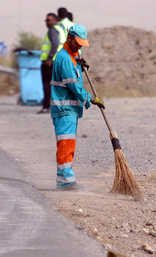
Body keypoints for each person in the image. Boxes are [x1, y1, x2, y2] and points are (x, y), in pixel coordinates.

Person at [50, 24, 104, 190]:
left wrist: (79, 65)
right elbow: (73, 85)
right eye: (77, 42)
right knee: (66, 144)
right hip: (64, 109)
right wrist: (90, 98)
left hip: (69, 110)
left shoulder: (72, 56)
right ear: (69, 38)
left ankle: (63, 180)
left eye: (82, 43)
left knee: (68, 143)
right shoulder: (65, 59)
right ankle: (66, 181)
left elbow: (74, 73)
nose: (80, 46)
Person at [38, 13, 65, 114]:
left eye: (49, 20)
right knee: (57, 84)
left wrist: (49, 58)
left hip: (50, 62)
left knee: (47, 84)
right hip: (58, 61)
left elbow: (55, 43)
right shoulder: (60, 29)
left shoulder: (53, 30)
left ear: (54, 20)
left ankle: (46, 106)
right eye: (46, 20)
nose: (47, 22)